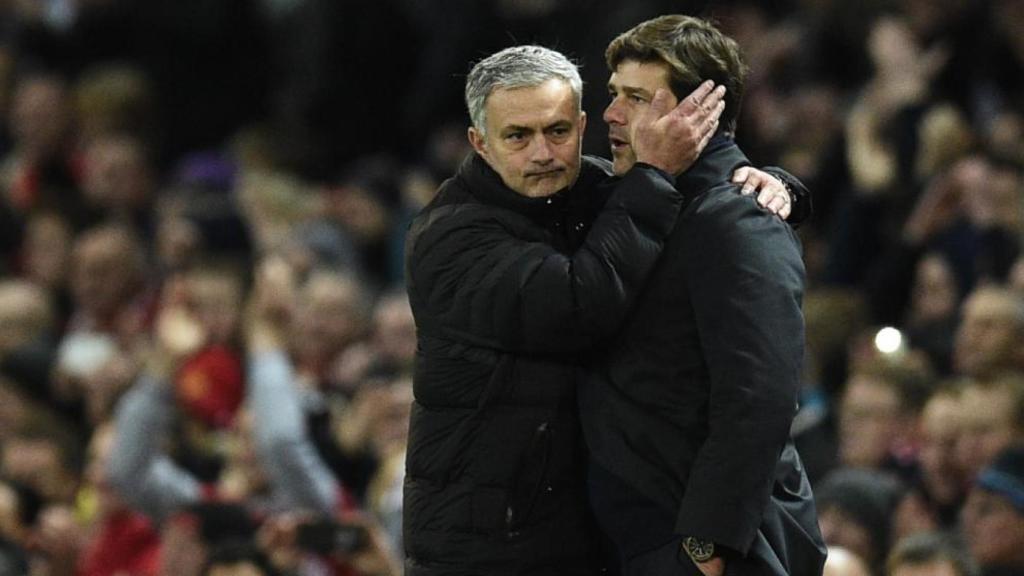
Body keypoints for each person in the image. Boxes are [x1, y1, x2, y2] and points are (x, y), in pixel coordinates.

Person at [404, 44, 805, 575]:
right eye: (518, 137)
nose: (543, 153)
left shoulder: (596, 191)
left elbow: (705, 206)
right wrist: (656, 173)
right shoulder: (451, 237)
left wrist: (775, 186)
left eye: (558, 131)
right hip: (481, 552)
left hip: (582, 541)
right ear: (480, 142)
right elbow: (577, 305)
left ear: (583, 125)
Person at [578, 15, 827, 576]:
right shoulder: (633, 198)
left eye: (637, 98)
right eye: (614, 94)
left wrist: (706, 545)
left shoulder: (738, 219)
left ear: (701, 113)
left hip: (700, 545)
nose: (612, 114)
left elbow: (758, 396)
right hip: (639, 534)